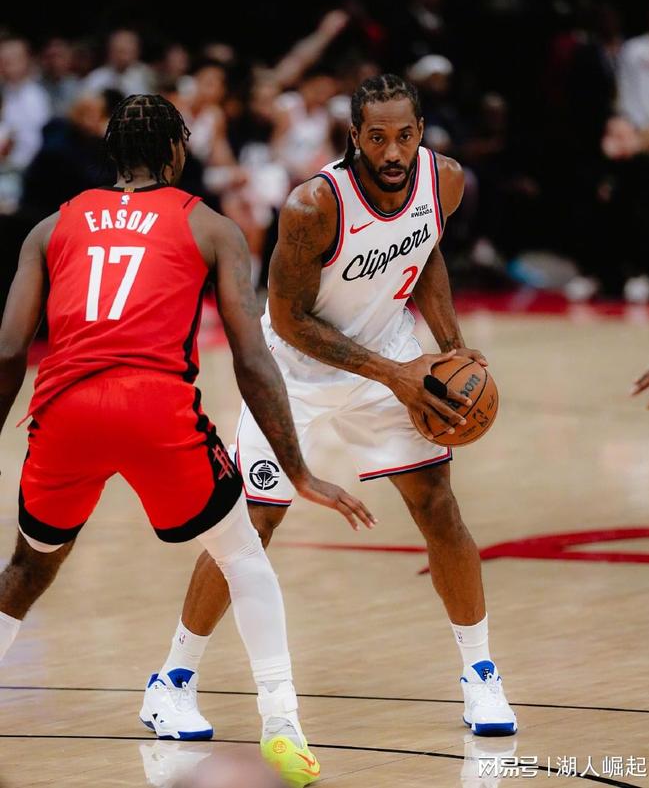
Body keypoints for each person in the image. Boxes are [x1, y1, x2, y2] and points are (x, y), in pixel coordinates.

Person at [0, 94, 375, 787]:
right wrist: (297, 469)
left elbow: (7, 351)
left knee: (29, 566)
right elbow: (252, 358)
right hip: (155, 410)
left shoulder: (51, 227)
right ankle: (282, 725)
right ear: (178, 150)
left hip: (66, 411)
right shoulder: (211, 227)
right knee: (243, 557)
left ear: (111, 153)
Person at [147, 74, 517, 742]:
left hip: (391, 358)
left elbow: (426, 249)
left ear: (420, 131)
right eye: (377, 137)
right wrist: (395, 375)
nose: (392, 151)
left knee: (439, 507)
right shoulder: (313, 205)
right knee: (249, 527)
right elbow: (289, 320)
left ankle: (481, 672)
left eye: (404, 135)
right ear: (354, 137)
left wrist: (450, 346)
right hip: (296, 373)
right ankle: (171, 681)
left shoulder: (445, 181)